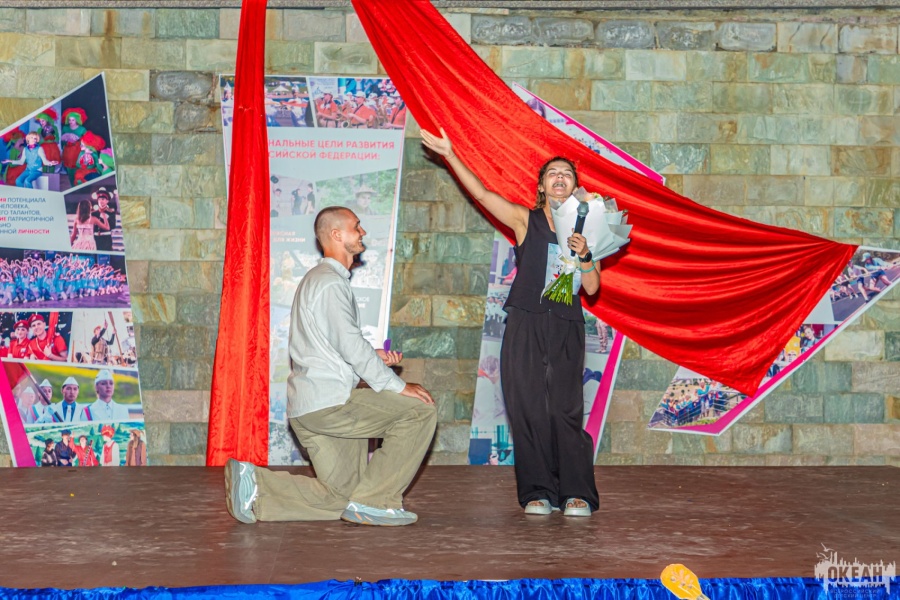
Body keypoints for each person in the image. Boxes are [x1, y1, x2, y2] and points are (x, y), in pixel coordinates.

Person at [421, 127, 600, 518]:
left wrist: (586, 255)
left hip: (566, 326)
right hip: (525, 324)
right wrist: (450, 155)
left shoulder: (586, 231)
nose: (559, 178)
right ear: (542, 186)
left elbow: (591, 287)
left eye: (566, 174)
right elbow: (483, 194)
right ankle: (538, 491)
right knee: (528, 408)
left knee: (565, 410)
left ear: (574, 187)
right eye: (552, 173)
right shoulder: (524, 220)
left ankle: (576, 493)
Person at [225, 206, 436, 527]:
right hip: (331, 404)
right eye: (356, 226)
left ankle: (256, 487)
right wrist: (398, 386)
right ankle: (377, 502)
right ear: (336, 235)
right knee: (419, 411)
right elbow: (349, 343)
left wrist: (373, 356)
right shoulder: (329, 283)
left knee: (344, 497)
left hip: (310, 408)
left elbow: (329, 345)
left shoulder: (320, 280)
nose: (363, 232)